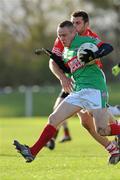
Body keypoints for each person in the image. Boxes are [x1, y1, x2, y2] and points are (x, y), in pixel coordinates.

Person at [13, 20, 120, 165]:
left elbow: (108, 47)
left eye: (64, 35)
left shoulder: (85, 41)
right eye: (59, 35)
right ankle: (31, 152)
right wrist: (51, 55)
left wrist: (94, 55)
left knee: (102, 130)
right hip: (78, 91)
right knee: (53, 119)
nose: (61, 38)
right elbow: (66, 68)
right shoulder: (66, 51)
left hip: (95, 89)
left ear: (73, 33)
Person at [46, 11, 119, 150]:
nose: (74, 26)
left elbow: (105, 49)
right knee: (85, 122)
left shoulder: (91, 38)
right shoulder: (64, 36)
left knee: (93, 117)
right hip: (73, 79)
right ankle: (112, 148)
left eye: (78, 23)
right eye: (72, 22)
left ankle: (115, 131)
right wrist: (62, 77)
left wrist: (93, 56)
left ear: (87, 24)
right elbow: (53, 62)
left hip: (92, 80)